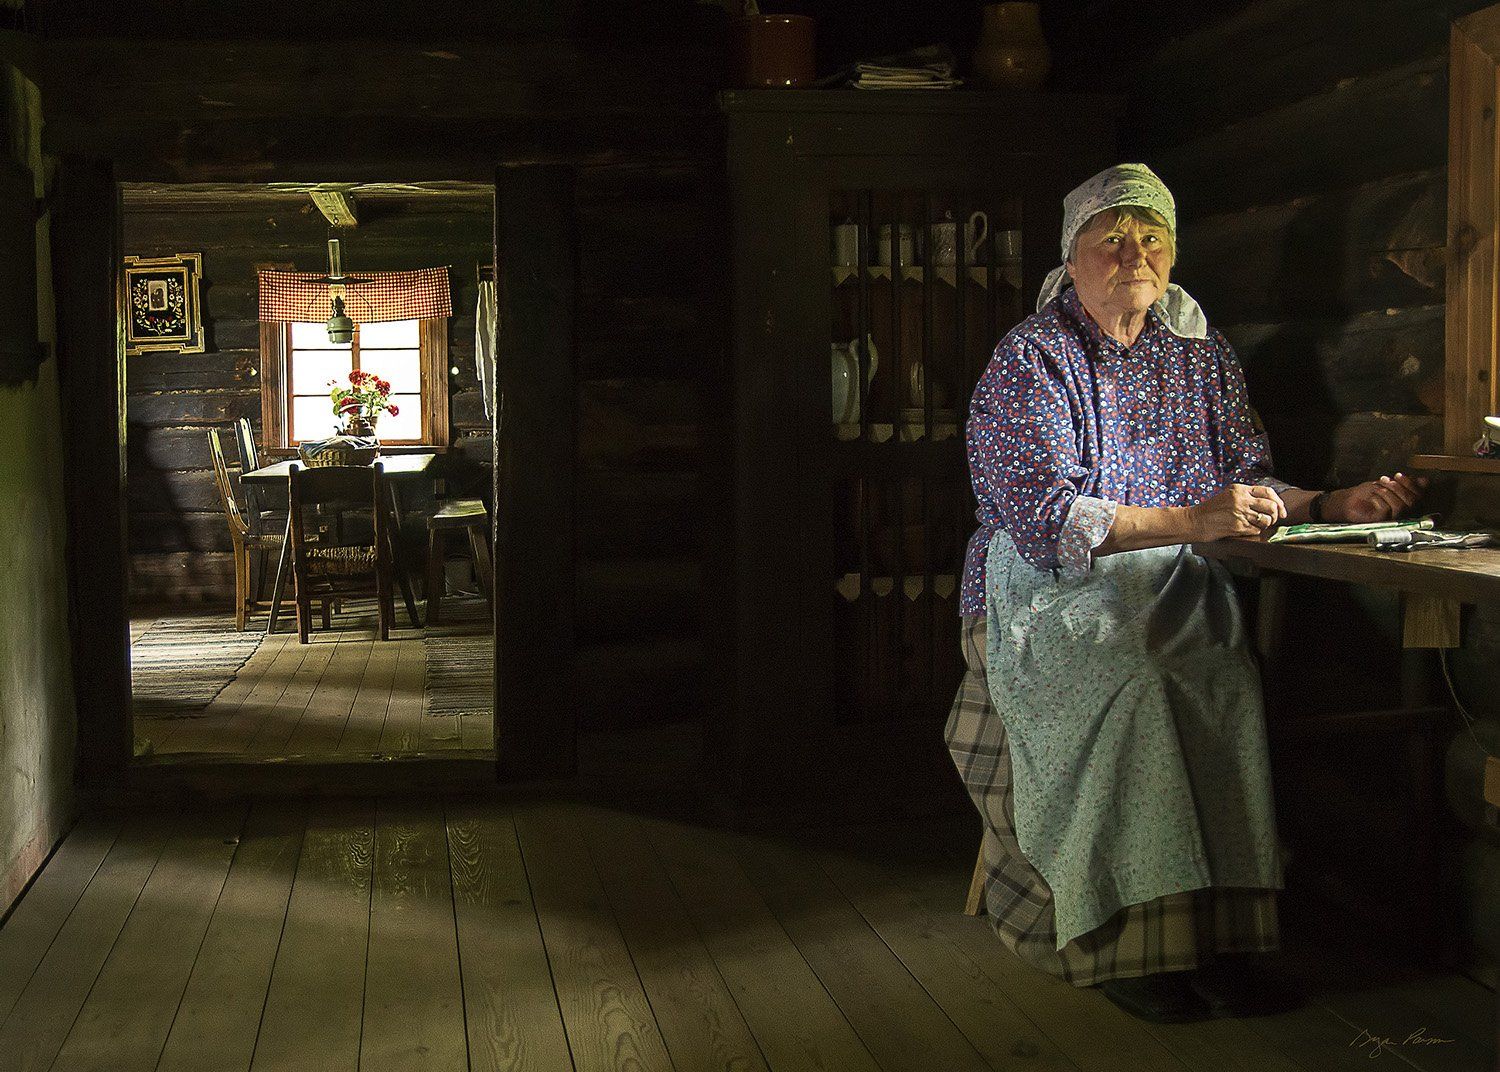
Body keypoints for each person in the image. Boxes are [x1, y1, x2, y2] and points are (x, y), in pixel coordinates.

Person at [944, 163, 1425, 1023]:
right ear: (1075, 255)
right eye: (1112, 237)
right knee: (1136, 685)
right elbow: (1043, 514)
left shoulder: (1198, 357)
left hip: (1171, 580)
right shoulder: (1034, 355)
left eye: (1151, 238)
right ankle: (1121, 946)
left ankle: (1222, 941)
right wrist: (1196, 521)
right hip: (1048, 584)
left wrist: (1329, 503)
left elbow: (1243, 482)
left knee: (1222, 680)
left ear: (1171, 258)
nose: (1133, 252)